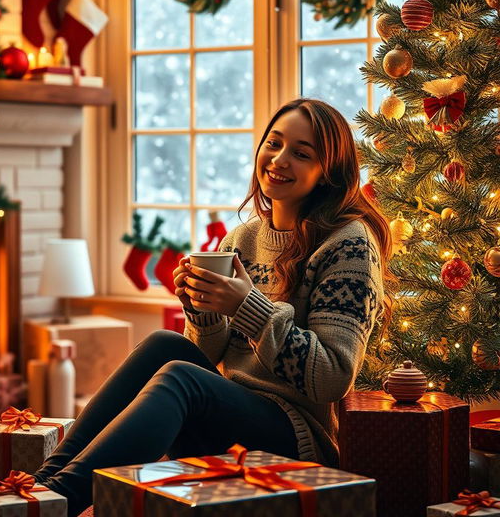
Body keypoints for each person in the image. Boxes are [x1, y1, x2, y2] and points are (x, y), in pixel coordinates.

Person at [34, 98, 392, 516]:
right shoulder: (242, 238)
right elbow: (208, 356)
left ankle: (58, 501)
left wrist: (247, 307)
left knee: (181, 378)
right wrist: (201, 309)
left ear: (327, 172)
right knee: (164, 345)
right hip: (227, 412)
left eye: (301, 153)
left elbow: (330, 379)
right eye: (273, 144)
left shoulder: (348, 243)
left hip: (294, 434)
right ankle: (42, 488)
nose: (278, 160)